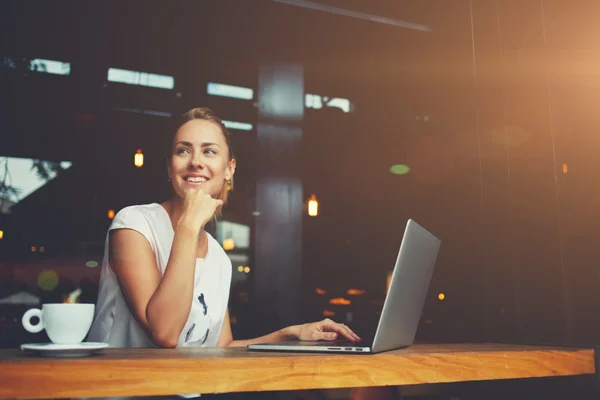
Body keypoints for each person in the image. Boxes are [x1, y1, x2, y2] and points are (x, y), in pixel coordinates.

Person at [88, 107, 360, 353]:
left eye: (209, 151)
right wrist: (189, 225)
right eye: (183, 150)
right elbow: (165, 333)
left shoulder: (218, 258)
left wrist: (291, 334)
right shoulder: (134, 224)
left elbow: (222, 347)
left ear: (229, 168)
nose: (195, 161)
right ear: (169, 167)